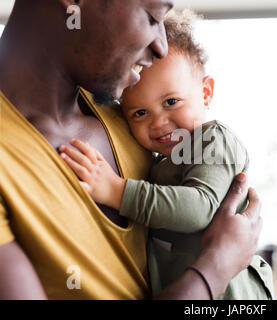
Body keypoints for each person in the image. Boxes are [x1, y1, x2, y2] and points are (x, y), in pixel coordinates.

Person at [0, 0, 262, 300]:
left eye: (171, 102)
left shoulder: (122, 103)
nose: (162, 47)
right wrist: (219, 264)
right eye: (152, 16)